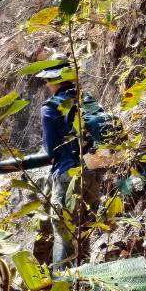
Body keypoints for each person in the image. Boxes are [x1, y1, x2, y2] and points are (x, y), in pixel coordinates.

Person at [40, 60, 99, 266]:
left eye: (48, 80)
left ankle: (62, 283)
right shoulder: (87, 99)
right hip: (94, 172)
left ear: (54, 81)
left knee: (64, 235)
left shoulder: (50, 108)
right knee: (86, 231)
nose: (47, 84)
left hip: (68, 176)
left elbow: (51, 149)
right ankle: (84, 280)